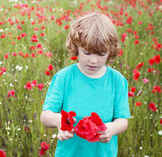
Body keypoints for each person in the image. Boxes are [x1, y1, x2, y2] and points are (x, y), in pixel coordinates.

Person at [40, 12, 130, 157]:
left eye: (101, 54)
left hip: (103, 153)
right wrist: (59, 121)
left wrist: (111, 128)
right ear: (76, 47)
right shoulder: (64, 77)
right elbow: (45, 116)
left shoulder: (117, 80)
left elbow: (122, 120)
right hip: (69, 153)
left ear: (110, 51)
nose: (93, 61)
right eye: (87, 53)